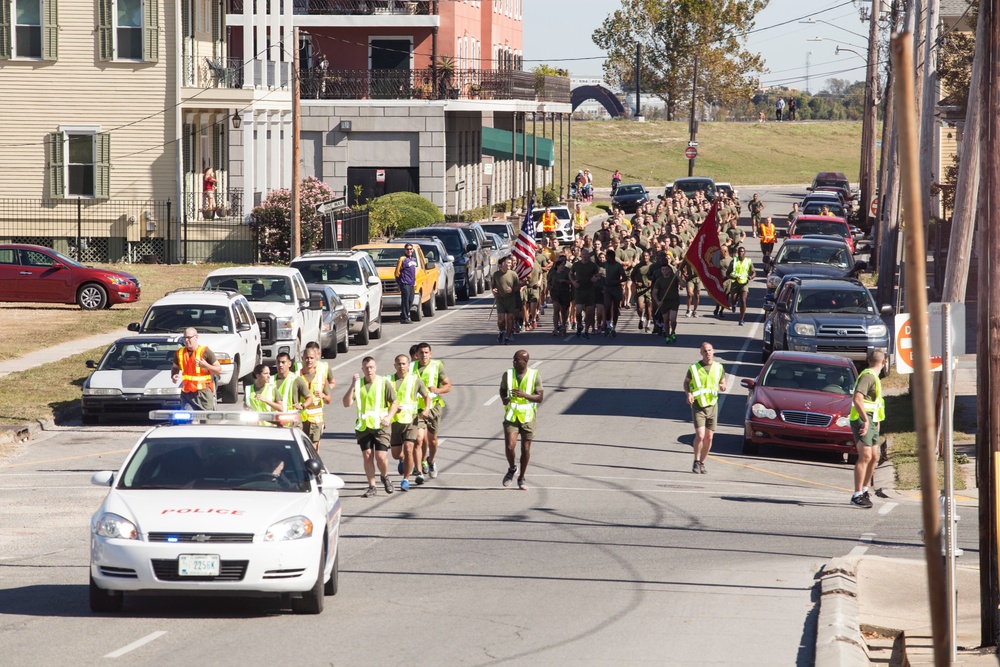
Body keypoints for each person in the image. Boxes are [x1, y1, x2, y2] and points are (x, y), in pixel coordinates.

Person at [342, 356, 400, 498]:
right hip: (364, 427)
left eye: (371, 367)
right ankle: (372, 486)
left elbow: (395, 403)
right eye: (366, 368)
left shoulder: (383, 383)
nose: (369, 370)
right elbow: (346, 403)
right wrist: (352, 385)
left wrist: (389, 417)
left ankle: (385, 476)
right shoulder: (358, 384)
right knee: (367, 456)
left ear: (376, 368)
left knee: (381, 457)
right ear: (362, 369)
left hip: (381, 426)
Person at [499, 349, 544, 490]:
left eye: (516, 359)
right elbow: (502, 389)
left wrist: (525, 395)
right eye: (513, 359)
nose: (514, 361)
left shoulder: (534, 375)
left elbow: (540, 397)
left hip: (527, 417)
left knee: (525, 449)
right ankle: (512, 468)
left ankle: (522, 477)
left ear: (525, 362)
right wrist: (503, 398)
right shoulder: (508, 374)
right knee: (509, 447)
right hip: (512, 415)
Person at [387, 354, 431, 492]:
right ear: (395, 366)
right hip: (395, 422)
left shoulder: (415, 380)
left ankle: (405, 480)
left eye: (404, 364)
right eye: (399, 364)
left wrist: (426, 409)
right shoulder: (388, 380)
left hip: (411, 421)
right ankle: (403, 459)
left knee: (409, 448)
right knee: (396, 454)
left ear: (408, 365)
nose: (401, 366)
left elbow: (426, 396)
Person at [850, 350, 886, 508]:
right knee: (865, 456)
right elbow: (857, 398)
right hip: (862, 418)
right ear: (884, 362)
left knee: (874, 457)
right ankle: (857, 494)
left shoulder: (875, 377)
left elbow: (876, 404)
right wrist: (865, 420)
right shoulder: (868, 376)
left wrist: (875, 424)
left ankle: (865, 490)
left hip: (872, 420)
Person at [684, 342, 727, 474]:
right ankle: (696, 461)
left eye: (709, 350)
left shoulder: (719, 367)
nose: (707, 353)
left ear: (713, 351)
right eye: (704, 351)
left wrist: (723, 386)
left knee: (709, 438)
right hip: (698, 405)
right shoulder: (694, 368)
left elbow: (722, 381)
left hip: (712, 405)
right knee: (700, 435)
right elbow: (686, 382)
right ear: (701, 353)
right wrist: (689, 393)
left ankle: (702, 463)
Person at [411, 342, 451, 481]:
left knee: (432, 441)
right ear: (417, 355)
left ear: (430, 354)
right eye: (421, 353)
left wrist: (438, 390)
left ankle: (431, 461)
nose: (424, 355)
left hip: (433, 407)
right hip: (417, 410)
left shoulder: (436, 366)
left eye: (426, 352)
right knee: (418, 439)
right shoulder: (411, 367)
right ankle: (419, 470)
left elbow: (448, 386)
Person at [172, 327, 222, 411]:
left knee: (205, 420)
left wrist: (206, 365)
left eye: (189, 337)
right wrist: (174, 375)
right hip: (187, 393)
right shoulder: (179, 353)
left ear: (196, 337)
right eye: (185, 338)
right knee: (188, 419)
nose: (186, 340)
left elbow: (219, 370)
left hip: (203, 393)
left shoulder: (205, 351)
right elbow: (175, 367)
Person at [298, 341, 335, 449]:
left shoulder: (322, 375)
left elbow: (329, 399)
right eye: (307, 358)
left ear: (316, 357)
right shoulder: (296, 376)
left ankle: (314, 465)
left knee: (314, 447)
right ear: (302, 358)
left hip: (316, 419)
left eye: (311, 358)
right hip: (300, 419)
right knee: (301, 447)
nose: (309, 360)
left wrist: (323, 395)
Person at [274, 352, 313, 420]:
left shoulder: (296, 380)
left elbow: (309, 398)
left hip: (292, 421)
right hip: (275, 421)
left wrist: (302, 406)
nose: (280, 365)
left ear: (289, 364)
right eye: (278, 362)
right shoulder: (270, 381)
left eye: (283, 362)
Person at [570, 247, 599, 339]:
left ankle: (586, 331)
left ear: (588, 255)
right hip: (579, 291)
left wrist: (595, 278)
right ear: (580, 255)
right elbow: (570, 274)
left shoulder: (593, 265)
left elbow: (598, 274)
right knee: (578, 311)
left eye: (586, 254)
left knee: (589, 312)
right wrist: (573, 282)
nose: (585, 256)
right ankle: (579, 324)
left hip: (589, 291)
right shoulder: (576, 265)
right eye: (583, 254)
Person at [492, 255, 520, 344]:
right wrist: (494, 290)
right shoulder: (496, 274)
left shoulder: (513, 274)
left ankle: (507, 337)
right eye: (508, 263)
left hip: (511, 299)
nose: (510, 264)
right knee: (501, 319)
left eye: (511, 263)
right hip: (500, 299)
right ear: (502, 264)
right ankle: (501, 331)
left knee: (510, 319)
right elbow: (493, 286)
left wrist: (513, 290)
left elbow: (518, 286)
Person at [651, 262, 681, 344]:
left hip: (674, 301)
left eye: (666, 269)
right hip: (664, 302)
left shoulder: (674, 278)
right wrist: (658, 301)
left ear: (670, 270)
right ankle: (667, 335)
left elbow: (683, 285)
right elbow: (654, 292)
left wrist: (678, 276)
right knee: (666, 320)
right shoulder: (659, 280)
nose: (665, 271)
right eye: (663, 270)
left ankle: (673, 331)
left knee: (672, 319)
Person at [728, 246, 756, 326]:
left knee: (743, 300)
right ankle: (734, 304)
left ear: (745, 252)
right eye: (739, 251)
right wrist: (733, 277)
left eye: (742, 251)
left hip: (744, 283)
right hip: (735, 282)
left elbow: (754, 272)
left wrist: (751, 276)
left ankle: (741, 319)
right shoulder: (734, 261)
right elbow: (728, 273)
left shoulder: (748, 261)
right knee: (733, 299)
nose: (741, 253)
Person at [602, 249, 626, 337]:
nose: (606, 259)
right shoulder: (606, 264)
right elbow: (598, 262)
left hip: (616, 289)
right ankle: (608, 325)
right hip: (607, 289)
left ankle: (614, 327)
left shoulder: (618, 265)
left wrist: (616, 282)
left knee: (615, 309)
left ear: (612, 257)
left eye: (607, 257)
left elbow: (624, 278)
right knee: (607, 306)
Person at [395, 243, 418, 324]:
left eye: (410, 249)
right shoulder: (402, 259)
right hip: (405, 283)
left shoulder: (412, 259)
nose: (409, 251)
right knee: (405, 301)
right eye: (407, 249)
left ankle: (403, 315)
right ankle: (404, 318)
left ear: (413, 250)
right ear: (405, 250)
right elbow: (397, 272)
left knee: (410, 300)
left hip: (411, 284)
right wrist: (399, 283)